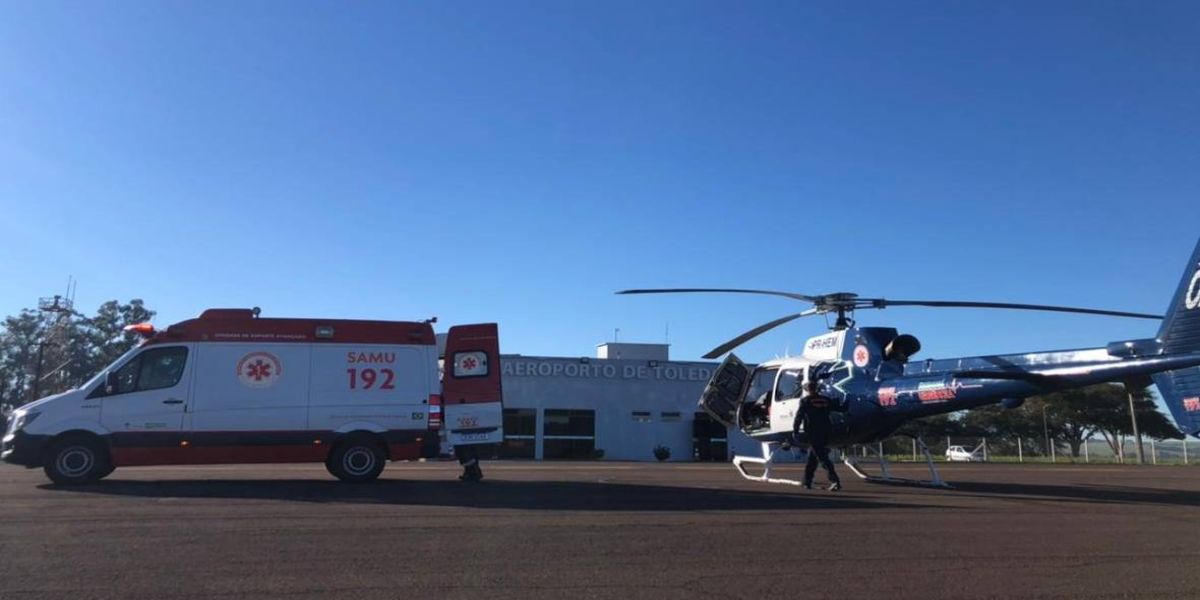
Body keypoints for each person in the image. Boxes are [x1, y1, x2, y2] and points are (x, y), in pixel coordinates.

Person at [792, 375, 846, 491]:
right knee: (813, 458)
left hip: (813, 432)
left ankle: (835, 481)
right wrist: (847, 400)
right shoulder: (825, 400)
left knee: (822, 458)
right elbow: (840, 408)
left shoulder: (805, 401)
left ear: (807, 389)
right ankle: (807, 481)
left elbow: (799, 416)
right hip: (826, 431)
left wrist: (795, 430)